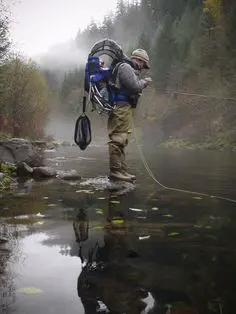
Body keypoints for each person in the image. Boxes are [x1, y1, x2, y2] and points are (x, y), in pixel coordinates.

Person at [108, 48, 152, 182]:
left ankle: (122, 170)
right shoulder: (125, 67)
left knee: (123, 139)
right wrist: (145, 82)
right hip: (120, 107)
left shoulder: (128, 68)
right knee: (118, 139)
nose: (143, 68)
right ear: (139, 60)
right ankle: (115, 171)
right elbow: (134, 86)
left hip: (125, 108)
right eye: (143, 64)